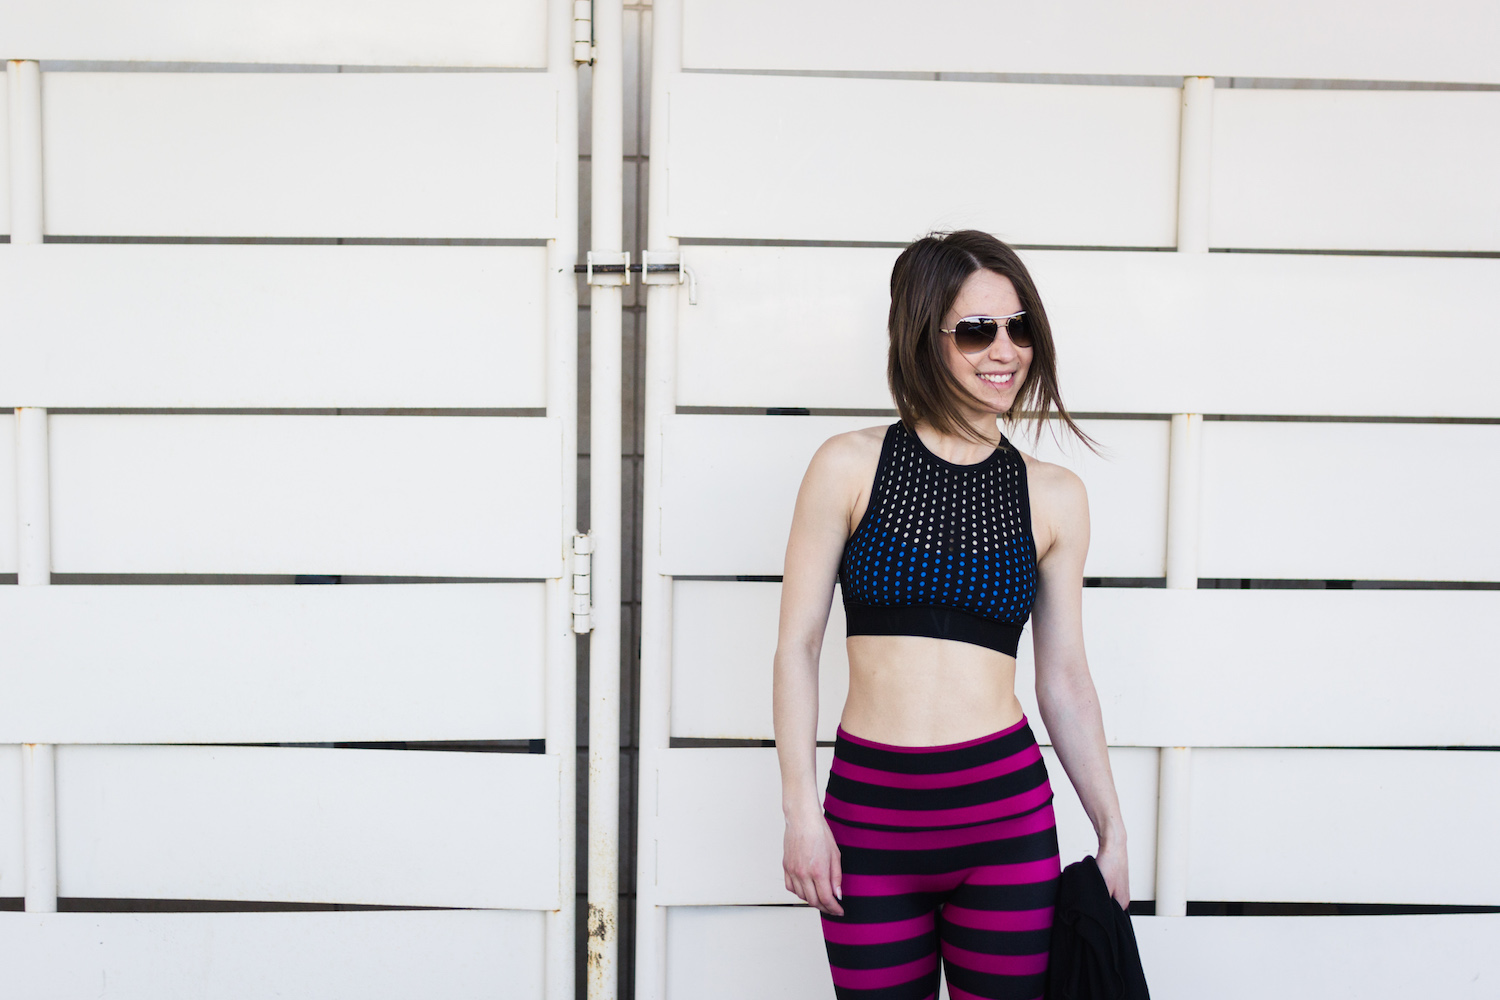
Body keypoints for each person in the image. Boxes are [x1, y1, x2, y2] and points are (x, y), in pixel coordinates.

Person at [772, 230, 1129, 1000]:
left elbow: (1065, 678)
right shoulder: (847, 465)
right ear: (922, 336)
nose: (1005, 350)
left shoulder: (1055, 495)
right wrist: (800, 809)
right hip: (870, 821)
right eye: (976, 330)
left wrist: (1112, 828)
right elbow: (797, 647)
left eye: (1019, 327)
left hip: (1004, 821)